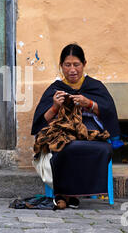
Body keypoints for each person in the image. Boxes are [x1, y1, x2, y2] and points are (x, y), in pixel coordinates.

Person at [31, 43, 121, 210]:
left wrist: (90, 103)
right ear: (61, 66)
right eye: (67, 65)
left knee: (103, 149)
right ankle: (67, 194)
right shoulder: (55, 89)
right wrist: (54, 107)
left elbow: (109, 114)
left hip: (92, 136)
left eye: (76, 64)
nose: (72, 69)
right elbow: (39, 123)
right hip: (65, 137)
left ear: (84, 64)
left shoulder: (95, 86)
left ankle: (68, 195)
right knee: (65, 148)